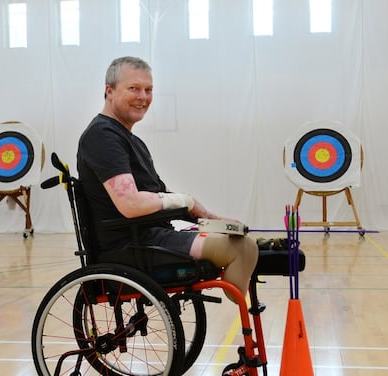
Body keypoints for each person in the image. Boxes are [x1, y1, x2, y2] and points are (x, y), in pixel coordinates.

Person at [77, 56, 258, 303]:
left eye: (148, 90)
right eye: (134, 88)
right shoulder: (103, 137)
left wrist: (211, 219)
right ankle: (243, 325)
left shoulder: (128, 139)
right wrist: (186, 201)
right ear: (109, 91)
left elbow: (157, 194)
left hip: (148, 237)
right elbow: (131, 204)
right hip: (132, 246)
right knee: (242, 248)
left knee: (239, 239)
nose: (143, 97)